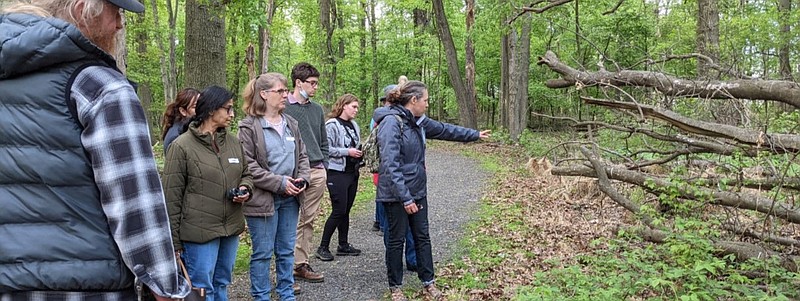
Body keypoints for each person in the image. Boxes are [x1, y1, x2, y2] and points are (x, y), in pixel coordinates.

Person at [0, 0, 190, 300]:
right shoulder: (99, 85)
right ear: (81, 10)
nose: (119, 24)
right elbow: (135, 204)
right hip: (87, 286)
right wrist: (166, 286)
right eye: (116, 12)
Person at [374, 80, 491, 301]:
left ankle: (428, 282)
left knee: (422, 237)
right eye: (425, 100)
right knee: (396, 240)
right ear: (414, 100)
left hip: (417, 190)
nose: (427, 104)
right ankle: (396, 287)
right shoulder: (391, 122)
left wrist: (474, 135)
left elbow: (446, 130)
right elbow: (390, 164)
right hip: (396, 193)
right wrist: (405, 197)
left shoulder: (418, 122)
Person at [163, 85, 253, 301]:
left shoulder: (233, 142)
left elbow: (247, 174)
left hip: (230, 228)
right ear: (212, 110)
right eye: (228, 109)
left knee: (222, 282)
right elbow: (171, 198)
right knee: (202, 288)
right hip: (199, 232)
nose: (232, 114)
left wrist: (245, 189)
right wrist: (174, 242)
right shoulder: (181, 146)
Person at [238, 73, 310, 301]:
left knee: (286, 251)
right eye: (280, 91)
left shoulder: (291, 123)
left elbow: (303, 156)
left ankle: (286, 295)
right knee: (262, 253)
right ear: (264, 94)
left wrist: (303, 179)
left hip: (291, 198)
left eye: (285, 90)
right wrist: (279, 183)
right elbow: (248, 165)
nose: (285, 95)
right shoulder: (249, 127)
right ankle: (261, 297)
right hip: (262, 200)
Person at [284, 62, 328, 283]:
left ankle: (300, 264)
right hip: (291, 173)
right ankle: (284, 268)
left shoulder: (317, 109)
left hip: (316, 169)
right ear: (298, 83)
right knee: (287, 219)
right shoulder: (283, 108)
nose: (315, 87)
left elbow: (323, 140)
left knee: (307, 220)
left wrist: (324, 165)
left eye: (317, 83)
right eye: (312, 83)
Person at [372, 84, 418, 273]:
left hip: (404, 181)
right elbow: (389, 159)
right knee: (392, 229)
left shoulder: (410, 119)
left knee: (408, 227)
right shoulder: (388, 121)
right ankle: (394, 268)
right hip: (388, 184)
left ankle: (412, 260)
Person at [315, 94, 364, 261]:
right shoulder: (332, 125)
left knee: (346, 210)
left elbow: (356, 144)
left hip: (352, 171)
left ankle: (343, 244)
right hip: (336, 172)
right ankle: (323, 246)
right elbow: (327, 148)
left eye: (357, 107)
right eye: (353, 107)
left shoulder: (354, 125)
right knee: (339, 209)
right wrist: (346, 152)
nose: (356, 110)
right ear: (344, 106)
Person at [162, 87, 200, 153]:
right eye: (195, 107)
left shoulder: (189, 129)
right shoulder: (176, 137)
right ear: (183, 111)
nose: (200, 109)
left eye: (201, 105)